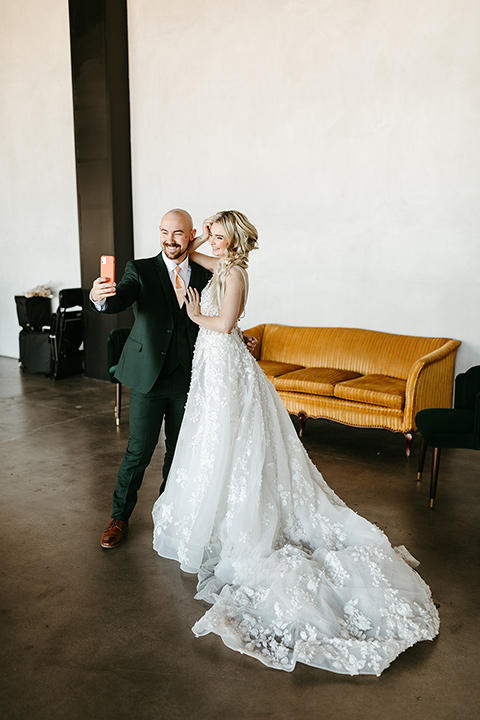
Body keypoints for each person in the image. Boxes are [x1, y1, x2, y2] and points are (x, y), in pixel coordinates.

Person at [152, 210, 440, 676]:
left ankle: (239, 517)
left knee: (232, 441)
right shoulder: (220, 262)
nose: (215, 242)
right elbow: (194, 254)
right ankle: (213, 506)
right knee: (212, 439)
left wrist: (191, 311)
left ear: (235, 243)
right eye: (214, 237)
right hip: (214, 363)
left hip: (224, 359)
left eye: (222, 237)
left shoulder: (237, 273)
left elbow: (223, 325)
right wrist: (203, 231)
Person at [91, 209, 211, 549]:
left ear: (190, 236)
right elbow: (121, 297)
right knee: (138, 451)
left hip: (186, 378)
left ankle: (167, 512)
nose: (169, 240)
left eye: (177, 234)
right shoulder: (139, 270)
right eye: (163, 232)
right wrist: (100, 298)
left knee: (179, 451)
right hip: (148, 378)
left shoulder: (203, 272)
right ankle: (119, 517)